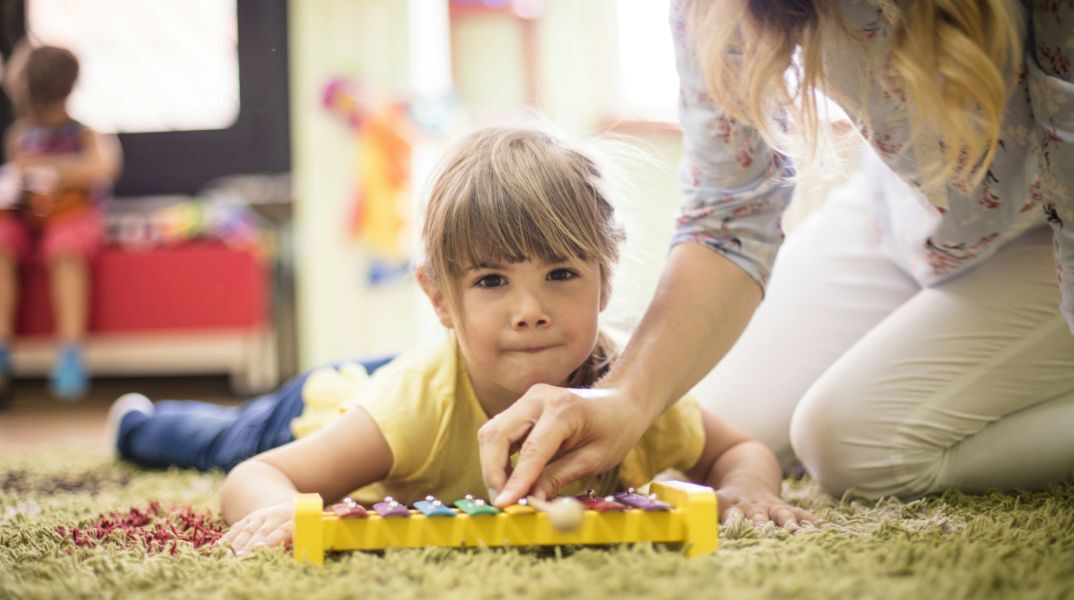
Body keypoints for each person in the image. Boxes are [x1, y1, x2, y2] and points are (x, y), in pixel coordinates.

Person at [479, 0, 1074, 508]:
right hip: (905, 214)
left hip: (1048, 232)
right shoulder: (718, 10)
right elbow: (729, 214)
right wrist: (626, 397)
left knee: (850, 444)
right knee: (717, 417)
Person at [110, 126, 817, 553]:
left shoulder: (634, 381)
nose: (530, 311)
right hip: (328, 402)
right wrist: (278, 517)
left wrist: (747, 491)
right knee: (219, 439)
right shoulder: (415, 410)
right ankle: (139, 421)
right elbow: (257, 476)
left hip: (435, 368)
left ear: (606, 281)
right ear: (439, 298)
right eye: (492, 281)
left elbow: (739, 450)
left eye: (561, 274)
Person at [0, 42, 122, 402]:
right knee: (2, 243)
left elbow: (104, 167)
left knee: (65, 249)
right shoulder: (20, 136)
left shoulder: (86, 133)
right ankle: (2, 348)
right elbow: (15, 180)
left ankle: (70, 352)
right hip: (29, 218)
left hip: (73, 218)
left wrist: (53, 169)